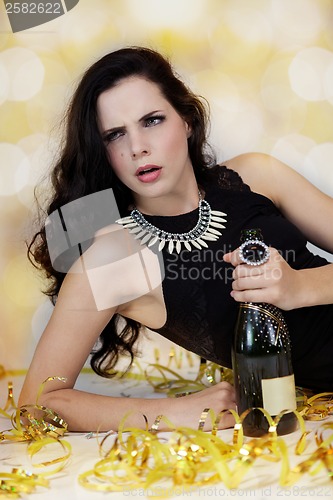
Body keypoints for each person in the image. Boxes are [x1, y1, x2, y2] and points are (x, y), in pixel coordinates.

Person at [19, 46, 333, 433]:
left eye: (152, 120)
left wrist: (303, 286)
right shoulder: (110, 259)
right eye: (115, 134)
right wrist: (175, 413)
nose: (137, 147)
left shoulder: (256, 176)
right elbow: (36, 405)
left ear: (186, 120)